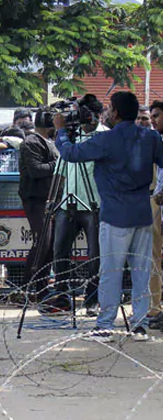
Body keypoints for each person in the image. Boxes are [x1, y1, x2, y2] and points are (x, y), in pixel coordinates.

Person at [55, 91, 163, 342]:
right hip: (142, 212)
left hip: (115, 214)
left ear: (115, 112)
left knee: (111, 272)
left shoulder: (107, 139)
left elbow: (71, 154)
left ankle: (105, 325)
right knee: (141, 272)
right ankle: (139, 325)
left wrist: (61, 131)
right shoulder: (151, 137)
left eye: (109, 108)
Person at [49, 95, 107, 315]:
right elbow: (61, 170)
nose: (85, 120)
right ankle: (62, 296)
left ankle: (92, 299)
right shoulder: (71, 136)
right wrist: (52, 202)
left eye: (88, 115)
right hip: (68, 203)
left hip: (95, 204)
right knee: (59, 252)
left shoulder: (104, 137)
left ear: (97, 115)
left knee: (96, 256)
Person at [18, 107, 59, 297]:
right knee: (42, 242)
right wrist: (58, 164)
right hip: (35, 199)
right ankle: (25, 288)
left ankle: (42, 288)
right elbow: (36, 170)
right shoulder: (32, 142)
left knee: (49, 245)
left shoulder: (49, 141)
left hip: (48, 199)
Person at [147, 101, 163, 328]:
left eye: (157, 115)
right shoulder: (157, 142)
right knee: (153, 256)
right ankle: (155, 307)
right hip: (156, 201)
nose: (153, 120)